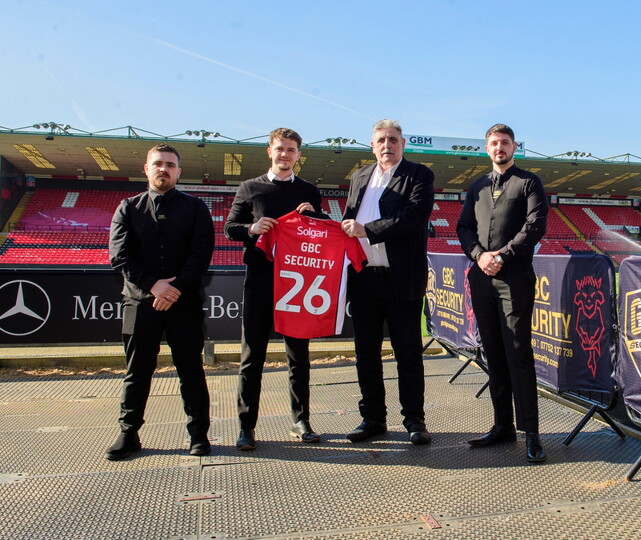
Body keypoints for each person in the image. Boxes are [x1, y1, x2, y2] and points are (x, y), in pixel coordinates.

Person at [106, 144, 214, 460]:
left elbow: (201, 255)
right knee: (136, 371)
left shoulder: (196, 208)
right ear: (146, 168)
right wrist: (154, 285)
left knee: (191, 370)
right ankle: (128, 434)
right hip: (139, 303)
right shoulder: (127, 208)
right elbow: (119, 256)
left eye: (170, 164)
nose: (163, 169)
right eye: (158, 163)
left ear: (179, 171)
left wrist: (174, 288)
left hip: (184, 304)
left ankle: (199, 436)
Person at [225, 127, 324, 450]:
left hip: (298, 285)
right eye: (280, 149)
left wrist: (316, 217)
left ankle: (301, 420)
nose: (285, 155)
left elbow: (320, 233)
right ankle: (246, 425)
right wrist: (252, 228)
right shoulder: (249, 188)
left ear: (298, 155)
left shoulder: (309, 191)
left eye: (291, 149)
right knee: (252, 356)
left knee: (299, 357)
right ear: (270, 151)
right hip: (261, 280)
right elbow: (229, 229)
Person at [456, 124, 548, 462]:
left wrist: (502, 256)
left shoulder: (528, 182)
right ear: (486, 148)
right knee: (493, 354)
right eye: (494, 143)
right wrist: (480, 255)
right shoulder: (477, 187)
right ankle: (502, 426)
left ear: (514, 147)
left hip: (515, 279)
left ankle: (532, 433)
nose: (499, 148)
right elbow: (463, 227)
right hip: (481, 279)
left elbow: (535, 226)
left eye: (505, 143)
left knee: (518, 355)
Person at [341, 119, 435, 445]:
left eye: (393, 139)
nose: (387, 145)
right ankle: (372, 419)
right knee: (366, 353)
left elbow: (412, 219)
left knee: (407, 352)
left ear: (403, 143)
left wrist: (368, 230)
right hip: (364, 278)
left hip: (402, 279)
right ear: (372, 144)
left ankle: (414, 420)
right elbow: (346, 223)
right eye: (381, 139)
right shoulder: (358, 177)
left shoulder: (419, 176)